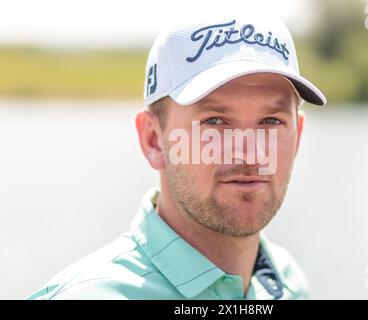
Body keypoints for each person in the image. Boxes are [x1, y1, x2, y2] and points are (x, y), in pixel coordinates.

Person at [27, 12, 326, 300]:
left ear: (297, 135)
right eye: (215, 121)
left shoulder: (287, 282)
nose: (249, 152)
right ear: (153, 140)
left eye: (272, 121)